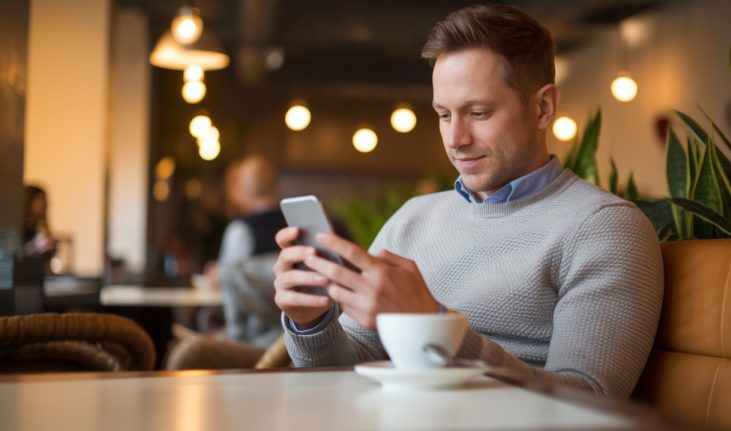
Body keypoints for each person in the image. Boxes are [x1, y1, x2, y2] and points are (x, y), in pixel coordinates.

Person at [272, 4, 663, 400]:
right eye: (444, 115)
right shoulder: (414, 218)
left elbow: (590, 402)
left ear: (543, 108)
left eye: (478, 112)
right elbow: (349, 370)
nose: (456, 139)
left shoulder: (604, 228)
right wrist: (313, 324)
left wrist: (435, 326)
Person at [167, 155, 287, 369]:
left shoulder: (240, 230)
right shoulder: (293, 226)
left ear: (243, 190)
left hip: (248, 338)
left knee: (184, 346)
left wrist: (218, 275)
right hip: (290, 341)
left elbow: (227, 278)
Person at [21, 185, 58, 272]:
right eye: (40, 198)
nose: (44, 203)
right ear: (29, 200)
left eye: (45, 199)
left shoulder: (36, 229)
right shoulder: (17, 227)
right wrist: (35, 247)